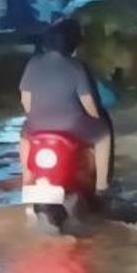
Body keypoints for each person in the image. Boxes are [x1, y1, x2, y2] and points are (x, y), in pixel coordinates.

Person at [19, 19, 112, 192]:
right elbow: (89, 105)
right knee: (103, 134)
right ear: (73, 44)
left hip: (37, 126)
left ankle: (28, 178)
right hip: (72, 127)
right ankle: (102, 185)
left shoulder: (33, 64)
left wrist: (35, 117)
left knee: (25, 135)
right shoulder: (76, 67)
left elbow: (26, 101)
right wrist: (97, 120)